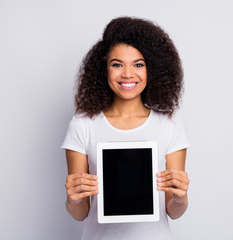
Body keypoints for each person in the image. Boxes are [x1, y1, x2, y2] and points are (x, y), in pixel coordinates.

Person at [61, 16, 190, 240]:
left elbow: (173, 210)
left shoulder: (169, 125)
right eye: (117, 64)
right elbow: (80, 212)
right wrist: (73, 199)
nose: (128, 74)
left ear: (153, 69)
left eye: (138, 64)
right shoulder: (82, 125)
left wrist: (181, 198)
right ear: (104, 70)